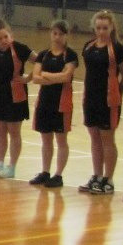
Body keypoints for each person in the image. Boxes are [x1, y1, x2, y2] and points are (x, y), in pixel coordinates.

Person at [79, 10, 123, 196]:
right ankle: (97, 176)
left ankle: (108, 180)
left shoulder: (118, 49)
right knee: (95, 138)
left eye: (105, 28)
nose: (101, 31)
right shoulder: (88, 47)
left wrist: (118, 94)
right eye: (98, 28)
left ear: (111, 28)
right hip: (90, 99)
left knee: (107, 139)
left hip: (108, 101)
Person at [27, 20, 77, 189]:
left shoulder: (70, 55)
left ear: (66, 35)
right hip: (44, 102)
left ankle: (58, 174)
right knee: (46, 139)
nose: (57, 37)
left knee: (61, 140)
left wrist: (46, 75)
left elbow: (66, 77)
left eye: (60, 34)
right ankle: (45, 171)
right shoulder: (43, 55)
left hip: (62, 103)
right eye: (54, 33)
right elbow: (35, 78)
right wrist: (55, 77)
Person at [0, 19, 31, 180]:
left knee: (14, 131)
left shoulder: (20, 49)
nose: (3, 40)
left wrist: (28, 78)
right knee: (0, 130)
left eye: (6, 37)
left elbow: (39, 60)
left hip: (16, 94)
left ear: (11, 35)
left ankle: (12, 167)